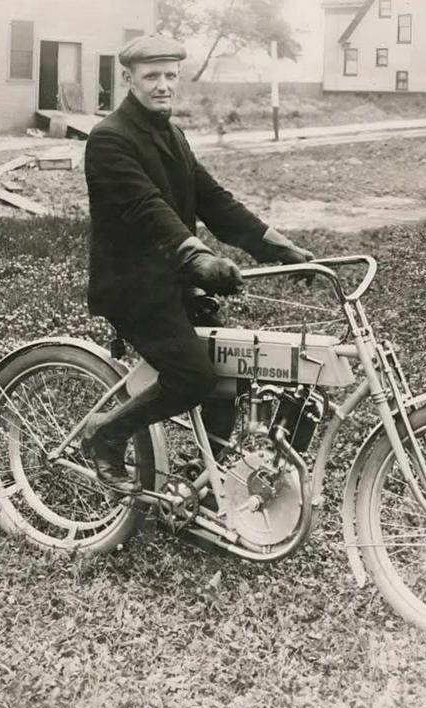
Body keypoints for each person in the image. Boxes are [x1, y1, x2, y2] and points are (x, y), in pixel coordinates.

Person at [83, 35, 314, 494]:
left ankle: (204, 486)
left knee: (227, 380)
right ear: (128, 80)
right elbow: (149, 211)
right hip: (133, 288)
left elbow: (215, 202)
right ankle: (104, 437)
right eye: (152, 77)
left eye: (170, 75)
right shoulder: (109, 139)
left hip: (175, 282)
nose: (164, 85)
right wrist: (200, 257)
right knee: (193, 377)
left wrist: (279, 247)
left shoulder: (171, 134)